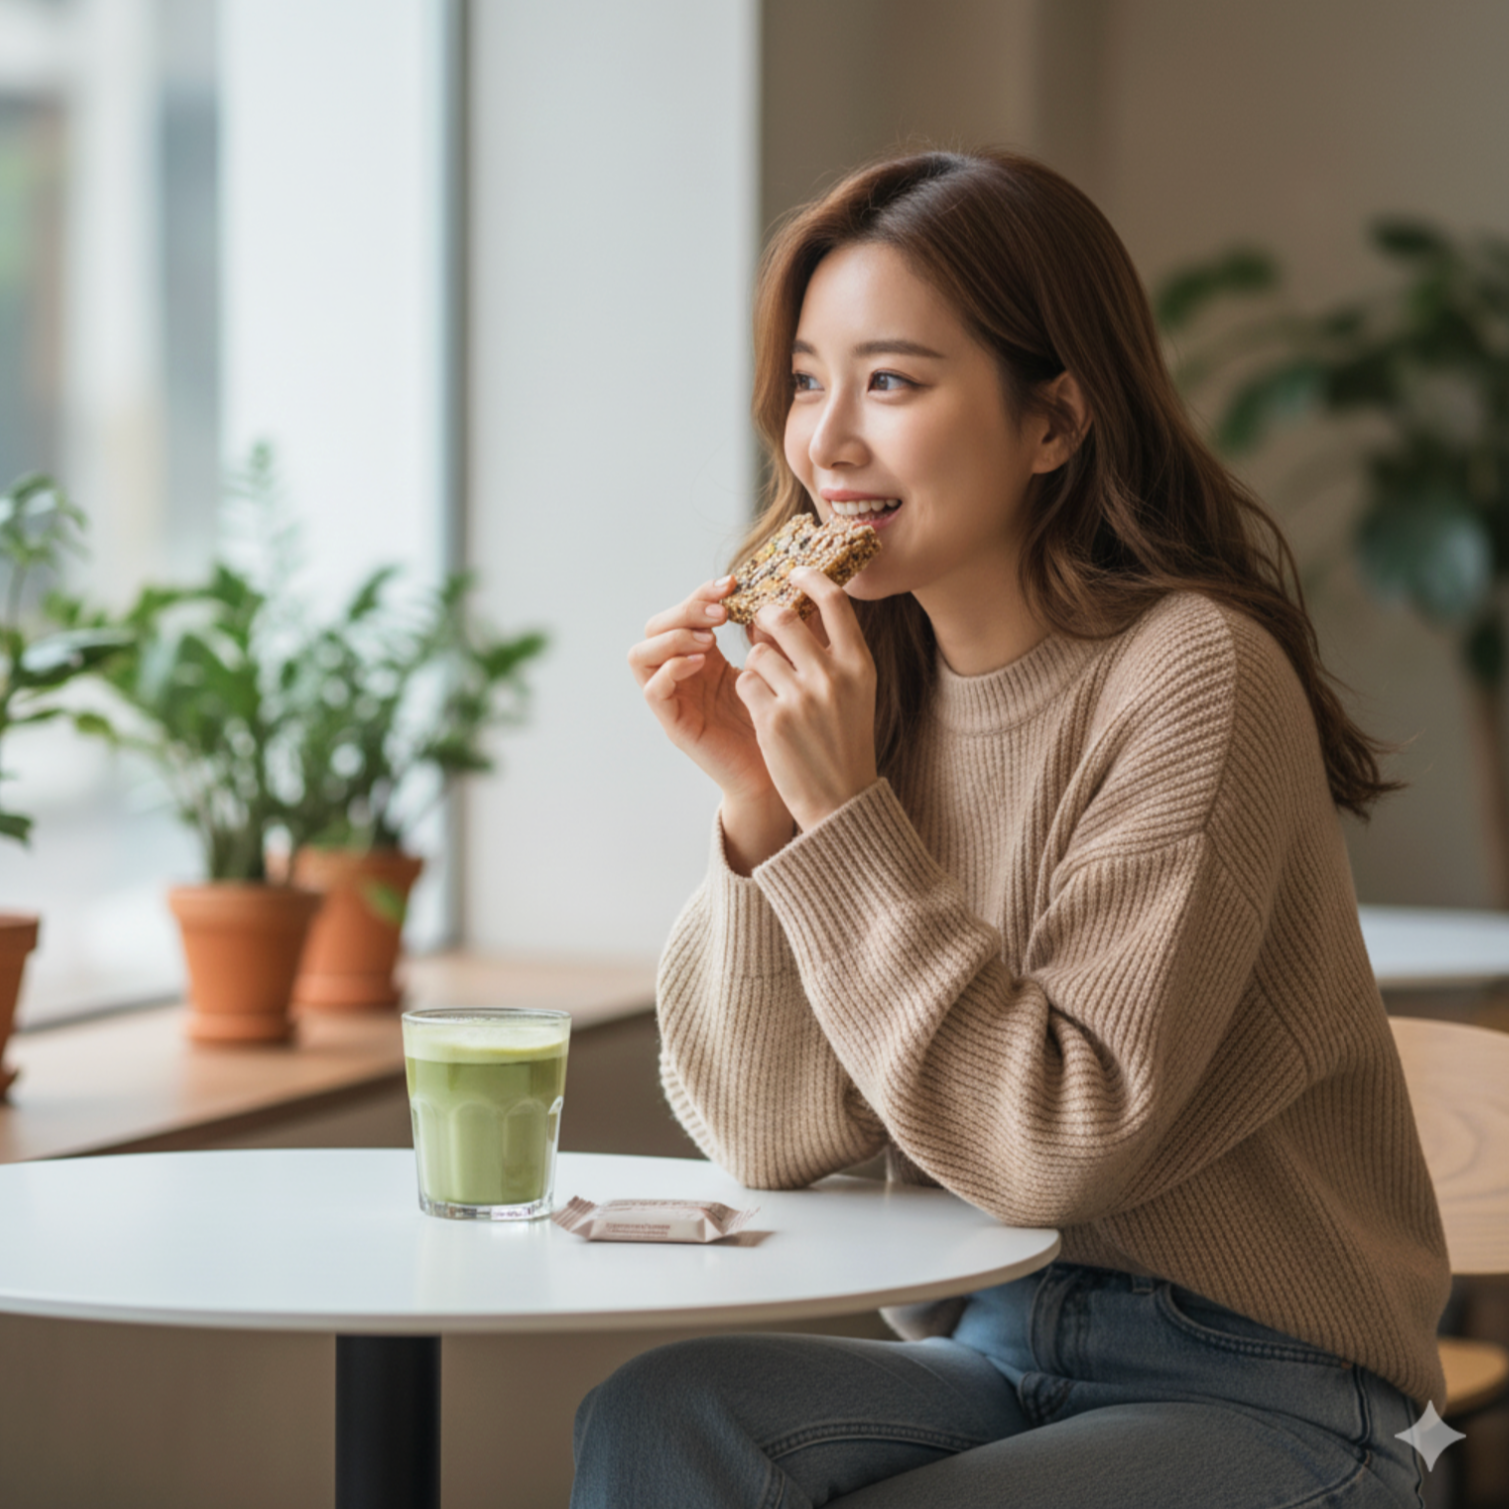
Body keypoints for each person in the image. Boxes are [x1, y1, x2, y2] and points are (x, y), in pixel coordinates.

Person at [588, 148, 1450, 1508]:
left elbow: (1055, 1146)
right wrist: (760, 806)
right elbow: (768, 1136)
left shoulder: (1193, 674)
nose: (827, 443)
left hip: (1269, 1388)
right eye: (810, 380)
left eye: (892, 381)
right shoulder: (871, 691)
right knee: (664, 1415)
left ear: (1053, 422)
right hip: (991, 1344)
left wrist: (845, 816)